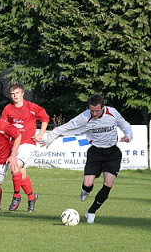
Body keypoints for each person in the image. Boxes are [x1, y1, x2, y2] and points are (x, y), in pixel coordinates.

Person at [42, 94, 132, 223]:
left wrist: (128, 135)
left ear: (103, 107)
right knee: (88, 184)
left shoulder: (113, 113)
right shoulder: (85, 116)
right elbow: (67, 126)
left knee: (108, 183)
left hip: (112, 153)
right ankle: (86, 190)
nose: (94, 113)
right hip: (95, 152)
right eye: (92, 110)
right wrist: (49, 138)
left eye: (97, 111)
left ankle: (91, 212)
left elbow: (125, 125)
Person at [1, 82, 50, 212]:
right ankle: (31, 197)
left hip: (28, 143)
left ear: (22, 93)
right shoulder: (8, 109)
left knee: (15, 166)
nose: (14, 96)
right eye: (12, 94)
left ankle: (16, 196)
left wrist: (40, 134)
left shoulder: (31, 107)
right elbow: (4, 127)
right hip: (14, 145)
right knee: (21, 175)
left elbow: (45, 118)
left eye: (17, 93)